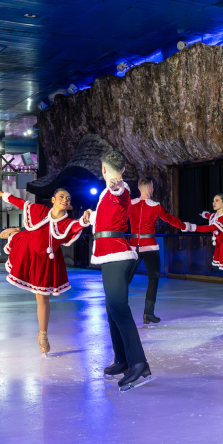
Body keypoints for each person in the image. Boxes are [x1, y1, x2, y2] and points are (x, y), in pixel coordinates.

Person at [81, 150, 153, 392]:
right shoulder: (106, 193)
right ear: (122, 168)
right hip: (110, 254)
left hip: (116, 255)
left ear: (104, 169)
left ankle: (139, 363)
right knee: (112, 310)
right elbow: (110, 217)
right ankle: (122, 360)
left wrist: (117, 186)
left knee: (119, 309)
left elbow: (118, 191)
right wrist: (91, 216)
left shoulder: (117, 189)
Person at [0, 187, 86, 356]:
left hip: (47, 259)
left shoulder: (66, 223)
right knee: (27, 235)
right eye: (61, 196)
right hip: (28, 248)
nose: (65, 200)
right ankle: (16, 233)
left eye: (68, 198)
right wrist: (4, 196)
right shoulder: (40, 210)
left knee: (42, 297)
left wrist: (85, 220)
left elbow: (75, 226)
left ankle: (43, 334)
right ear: (53, 199)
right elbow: (22, 203)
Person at [127, 176, 186, 326]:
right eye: (152, 187)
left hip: (133, 246)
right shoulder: (155, 206)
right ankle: (148, 313)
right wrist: (186, 227)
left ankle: (116, 312)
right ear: (148, 188)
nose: (153, 190)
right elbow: (171, 220)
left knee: (124, 280)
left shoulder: (130, 204)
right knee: (153, 280)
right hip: (150, 247)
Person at [181, 194, 223, 313]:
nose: (214, 202)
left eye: (217, 200)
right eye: (213, 200)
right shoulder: (215, 215)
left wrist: (192, 226)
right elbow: (210, 216)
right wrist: (204, 214)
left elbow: (209, 228)